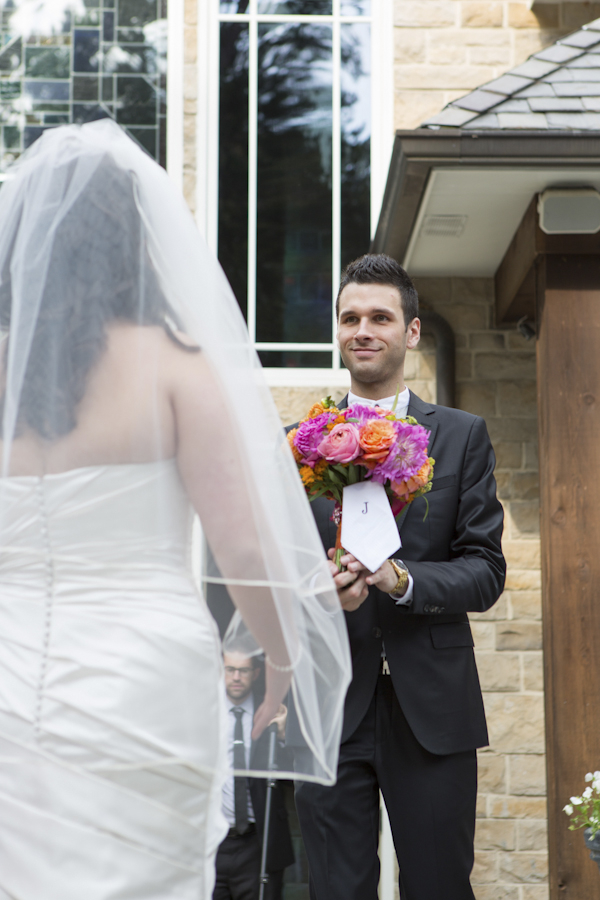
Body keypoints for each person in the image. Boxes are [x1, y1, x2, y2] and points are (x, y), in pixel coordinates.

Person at [0, 120, 351, 899]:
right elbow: (248, 552)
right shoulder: (176, 364)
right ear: (137, 235)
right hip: (139, 678)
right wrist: (284, 660)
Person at [292, 254, 506, 900]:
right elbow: (272, 575)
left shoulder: (463, 437)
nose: (363, 329)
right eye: (350, 317)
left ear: (411, 332)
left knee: (440, 887)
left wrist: (399, 579)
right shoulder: (298, 442)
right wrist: (316, 590)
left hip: (432, 709)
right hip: (332, 705)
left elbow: (485, 571)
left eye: (380, 317)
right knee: (335, 889)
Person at [214, 649, 294, 900]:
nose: (236, 677)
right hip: (213, 841)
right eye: (230, 670)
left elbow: (294, 772)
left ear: (255, 673)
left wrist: (283, 736)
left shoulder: (272, 712)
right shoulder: (207, 713)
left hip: (258, 842)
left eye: (243, 670)